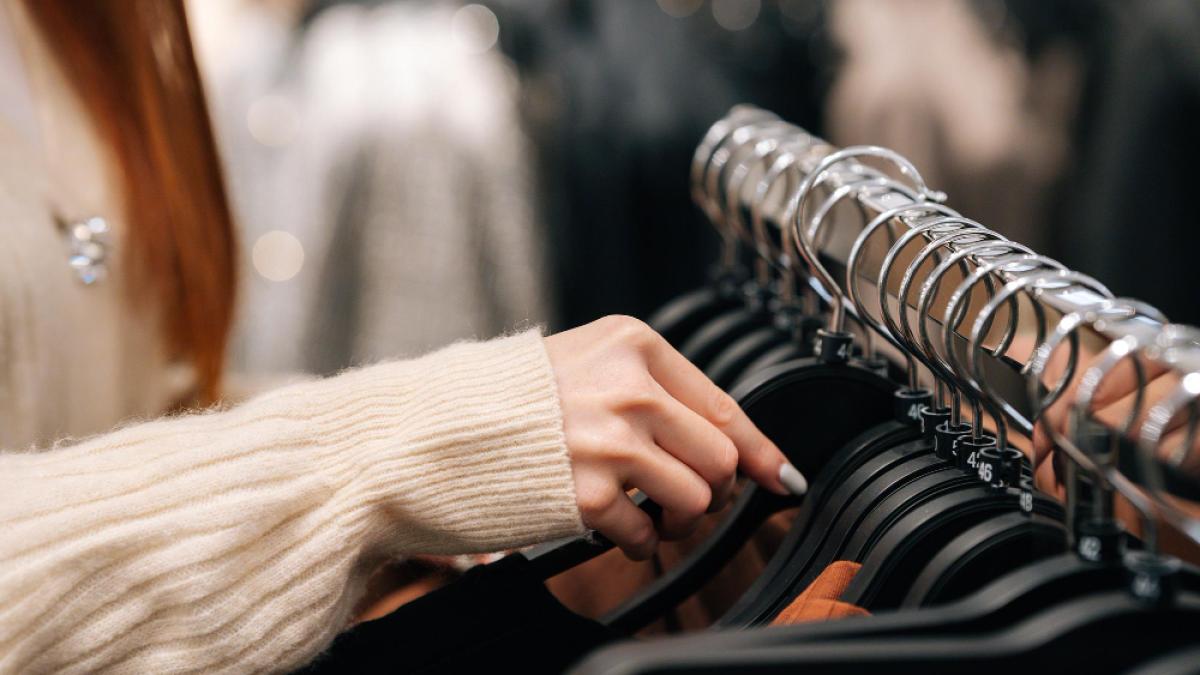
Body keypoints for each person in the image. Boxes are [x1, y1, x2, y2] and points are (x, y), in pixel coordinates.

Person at [0, 2, 805, 673]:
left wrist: (456, 537)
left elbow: (152, 403)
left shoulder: (95, 27)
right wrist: (404, 452)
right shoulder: (398, 88)